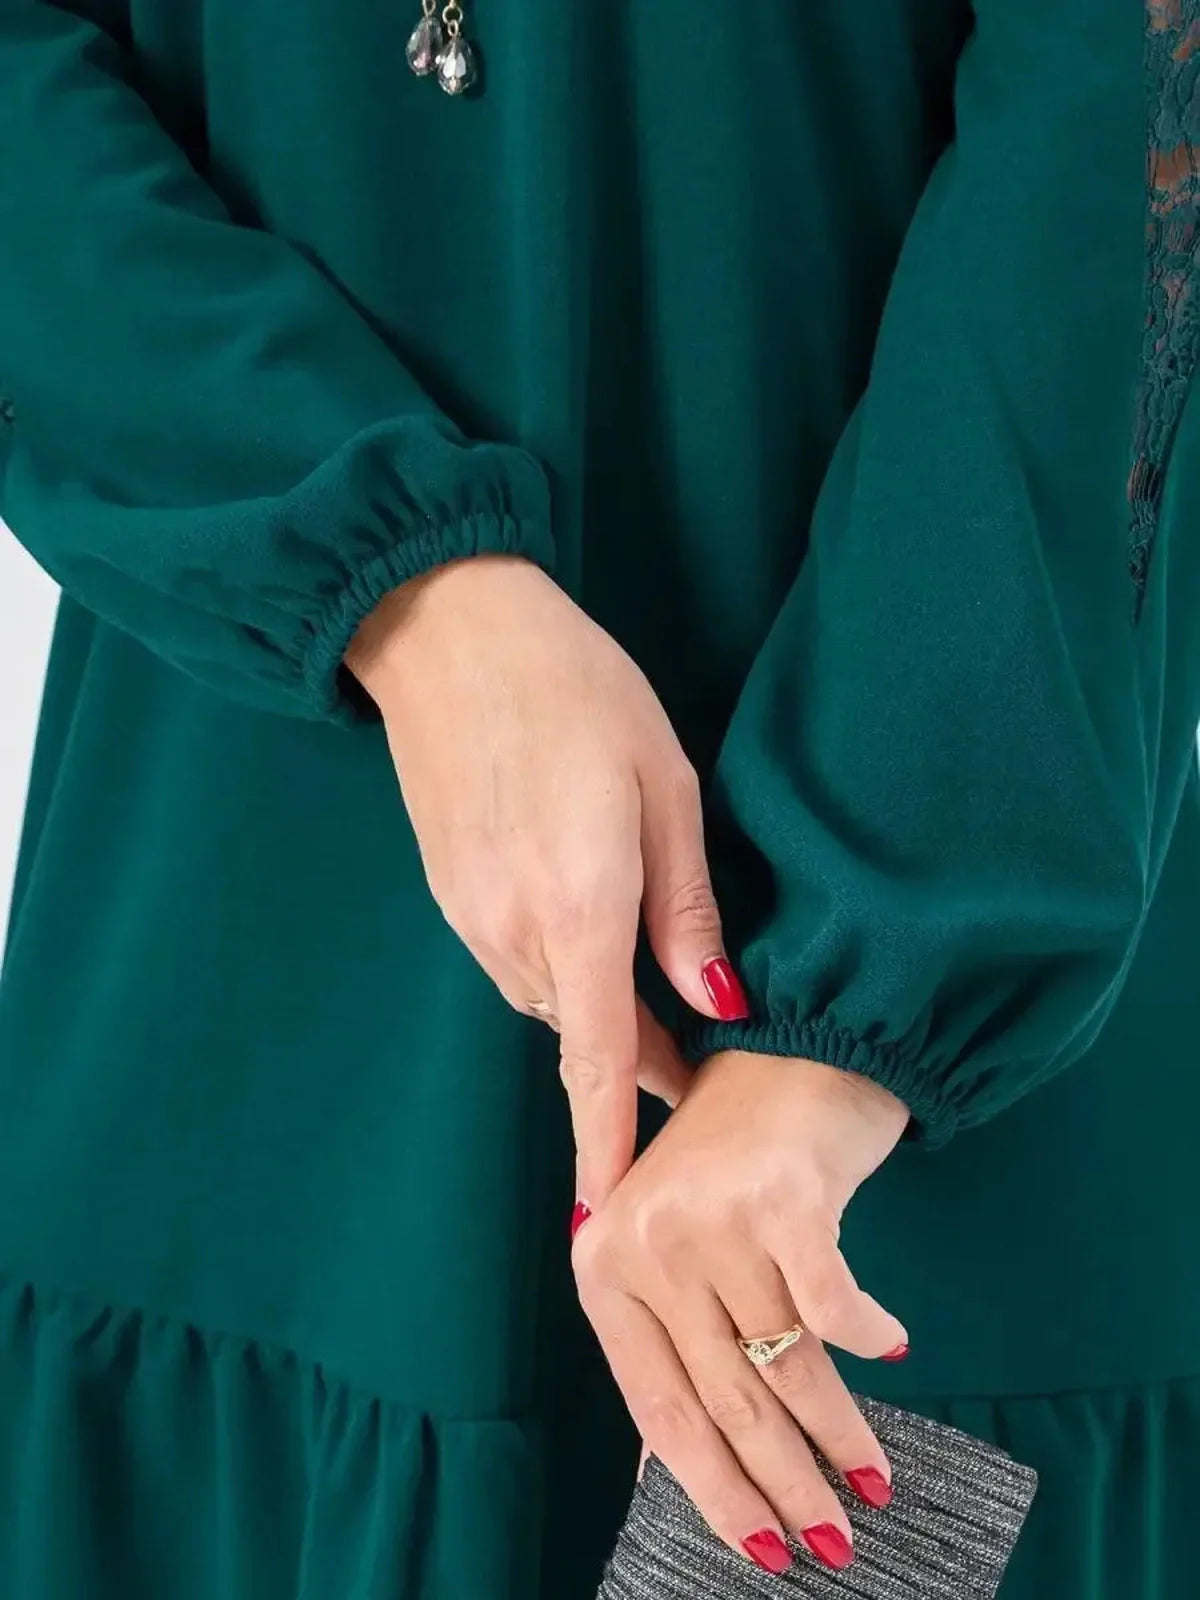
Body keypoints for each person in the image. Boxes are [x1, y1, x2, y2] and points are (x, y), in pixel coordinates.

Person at [0, 1, 1197, 1595]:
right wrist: (413, 601)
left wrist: (870, 989)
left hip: (897, 1104)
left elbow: (1119, 109)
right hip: (231, 1059)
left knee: (815, 1492)